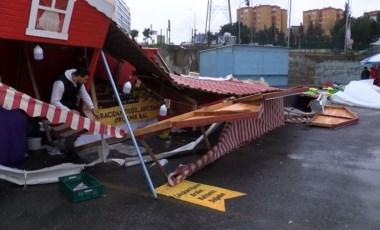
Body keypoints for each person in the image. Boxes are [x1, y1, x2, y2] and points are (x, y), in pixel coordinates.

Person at [50, 68, 99, 157]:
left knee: (85, 125)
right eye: (85, 79)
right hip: (61, 109)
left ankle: (69, 143)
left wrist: (92, 108)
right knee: (68, 129)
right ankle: (64, 145)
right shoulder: (60, 83)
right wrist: (68, 111)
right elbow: (54, 101)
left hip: (73, 107)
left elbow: (84, 94)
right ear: (79, 76)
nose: (85, 81)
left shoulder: (79, 83)